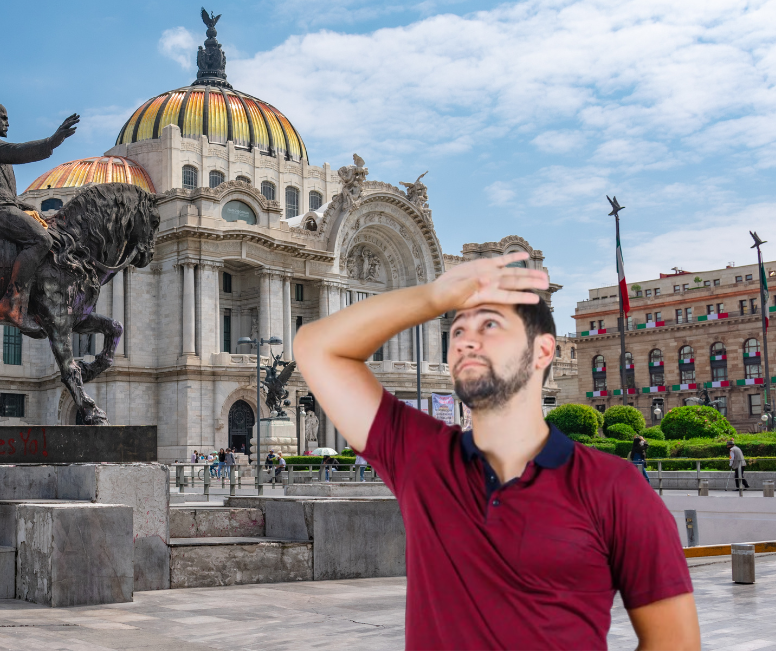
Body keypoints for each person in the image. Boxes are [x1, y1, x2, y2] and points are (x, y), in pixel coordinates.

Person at [294, 252, 698, 650]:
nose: (466, 339)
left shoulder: (617, 488)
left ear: (543, 351)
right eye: (457, 330)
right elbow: (316, 348)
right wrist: (434, 297)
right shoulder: (424, 460)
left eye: (489, 324)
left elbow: (674, 641)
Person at [0, 101, 79, 332]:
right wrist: (52, 141)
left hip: (5, 205)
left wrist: (35, 210)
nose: (8, 122)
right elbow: (17, 152)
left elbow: (8, 194)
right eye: (4, 117)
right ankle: (12, 301)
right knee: (42, 240)